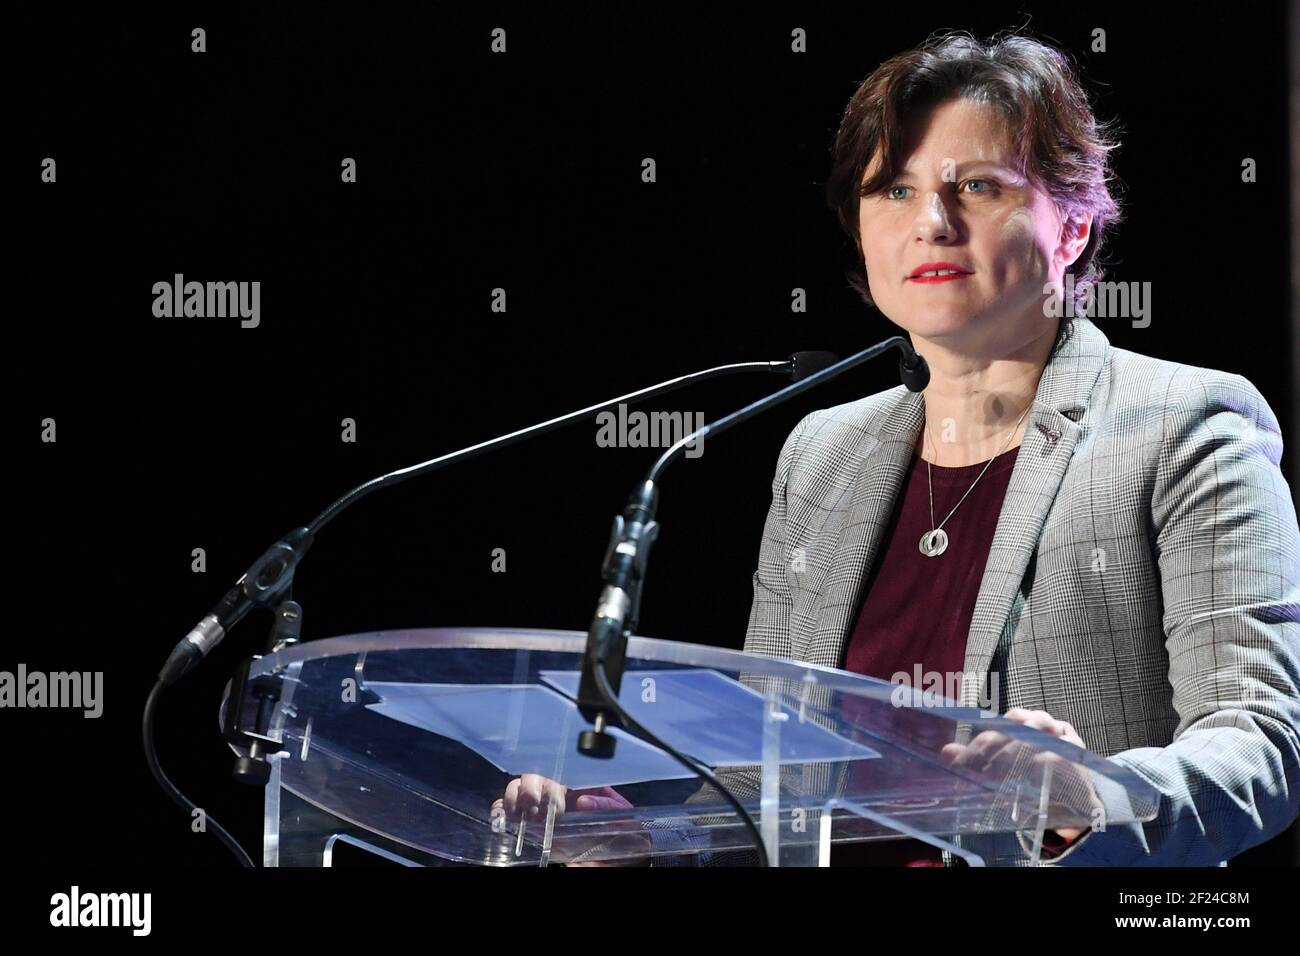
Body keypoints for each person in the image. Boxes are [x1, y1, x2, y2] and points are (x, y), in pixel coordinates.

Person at [497, 28, 1300, 866]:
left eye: (979, 186)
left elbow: (1260, 744)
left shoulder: (1184, 422)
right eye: (893, 190)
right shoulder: (822, 454)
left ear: (1071, 228)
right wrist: (639, 839)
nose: (933, 223)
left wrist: (1086, 796)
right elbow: (763, 784)